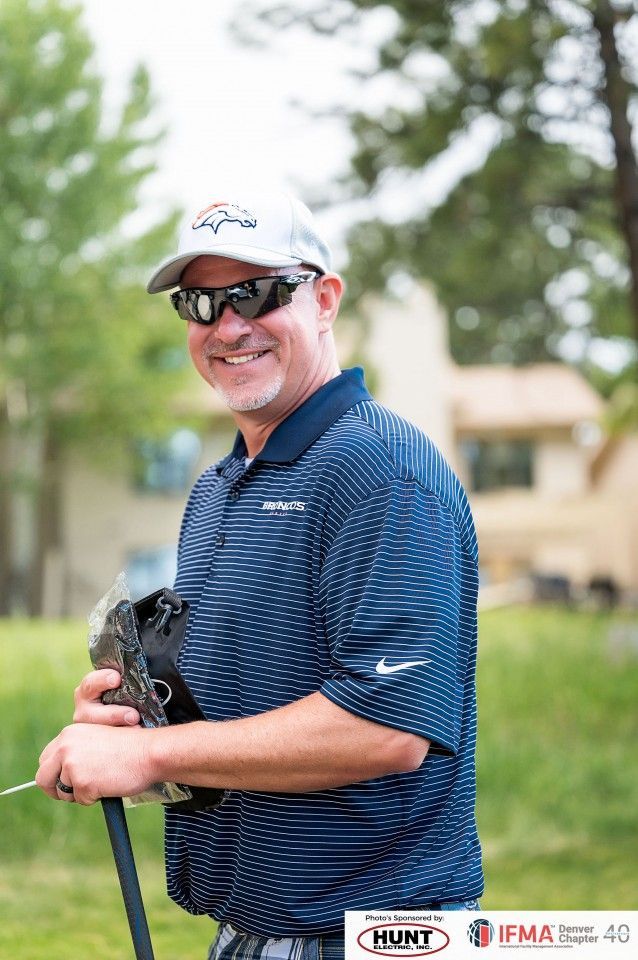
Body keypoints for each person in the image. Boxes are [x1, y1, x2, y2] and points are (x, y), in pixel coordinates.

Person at [36, 191, 483, 958]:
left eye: (255, 291)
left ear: (325, 300)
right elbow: (245, 717)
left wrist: (152, 756)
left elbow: (386, 728)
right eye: (201, 301)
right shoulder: (218, 488)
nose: (228, 324)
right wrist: (132, 726)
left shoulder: (381, 473)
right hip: (250, 933)